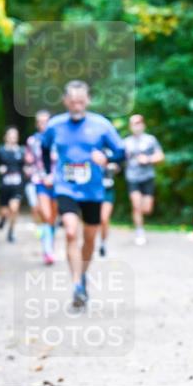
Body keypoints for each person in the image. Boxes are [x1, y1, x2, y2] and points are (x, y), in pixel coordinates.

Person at [41, 81, 125, 308]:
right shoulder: (55, 125)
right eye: (72, 101)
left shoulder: (101, 125)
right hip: (65, 187)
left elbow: (121, 152)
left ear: (87, 100)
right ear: (65, 101)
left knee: (89, 238)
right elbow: (44, 147)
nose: (76, 105)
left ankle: (83, 275)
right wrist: (48, 172)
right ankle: (77, 284)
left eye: (81, 101)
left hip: (93, 190)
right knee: (70, 232)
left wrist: (107, 160)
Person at [123, 114, 164, 246]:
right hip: (132, 177)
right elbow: (119, 159)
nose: (137, 126)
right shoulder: (126, 143)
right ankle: (139, 231)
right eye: (134, 123)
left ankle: (141, 221)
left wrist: (148, 159)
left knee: (146, 209)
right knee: (136, 205)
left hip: (147, 177)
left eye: (139, 123)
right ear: (130, 126)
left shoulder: (150, 140)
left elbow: (160, 156)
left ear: (143, 124)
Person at [25, 110, 57, 265]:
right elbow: (31, 163)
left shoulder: (58, 139)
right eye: (40, 122)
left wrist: (54, 177)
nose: (43, 124)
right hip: (40, 181)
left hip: (57, 182)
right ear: (36, 124)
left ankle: (50, 244)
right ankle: (48, 251)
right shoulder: (32, 141)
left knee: (52, 218)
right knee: (45, 214)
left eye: (46, 121)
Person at [0, 126, 27, 243]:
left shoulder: (21, 151)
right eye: (10, 136)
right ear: (5, 137)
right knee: (5, 211)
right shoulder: (0, 150)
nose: (12, 138)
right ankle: (3, 218)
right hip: (4, 185)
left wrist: (27, 170)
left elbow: (25, 166)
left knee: (14, 209)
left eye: (15, 136)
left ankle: (11, 232)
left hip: (17, 185)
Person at [99, 149, 119, 257]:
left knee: (104, 218)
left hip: (107, 190)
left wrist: (112, 167)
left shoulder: (111, 150)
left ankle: (103, 243)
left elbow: (118, 167)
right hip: (92, 190)